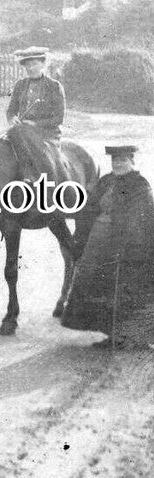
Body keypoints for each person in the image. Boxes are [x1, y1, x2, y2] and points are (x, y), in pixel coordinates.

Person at [62, 145, 154, 347]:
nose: (118, 164)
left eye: (122, 160)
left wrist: (126, 244)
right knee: (98, 286)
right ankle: (111, 334)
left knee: (125, 289)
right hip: (99, 243)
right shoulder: (106, 181)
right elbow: (90, 208)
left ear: (132, 161)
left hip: (128, 246)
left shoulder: (139, 185)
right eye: (115, 161)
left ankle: (133, 338)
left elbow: (142, 218)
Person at [5, 46, 66, 186]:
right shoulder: (20, 85)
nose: (30, 68)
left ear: (43, 64)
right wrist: (12, 118)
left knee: (17, 132)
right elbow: (11, 111)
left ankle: (30, 173)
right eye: (27, 65)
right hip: (21, 132)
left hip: (46, 133)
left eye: (34, 64)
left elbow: (59, 118)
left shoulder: (54, 86)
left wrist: (35, 124)